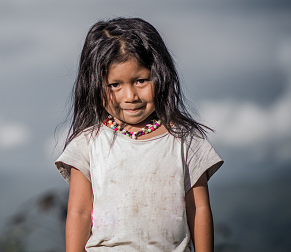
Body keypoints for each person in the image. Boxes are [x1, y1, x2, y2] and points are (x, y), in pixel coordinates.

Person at [55, 17, 223, 252]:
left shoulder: (185, 141)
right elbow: (80, 212)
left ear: (160, 76)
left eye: (141, 80)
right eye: (114, 85)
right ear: (95, 86)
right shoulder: (88, 144)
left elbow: (199, 209)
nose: (130, 96)